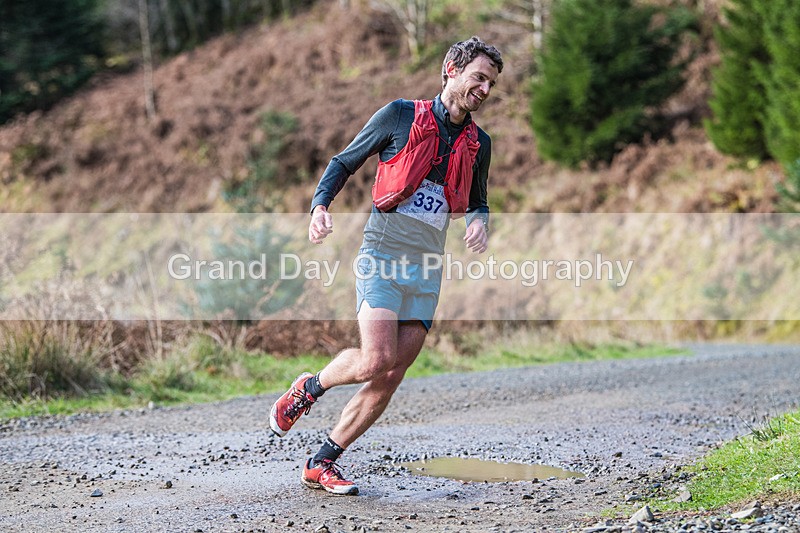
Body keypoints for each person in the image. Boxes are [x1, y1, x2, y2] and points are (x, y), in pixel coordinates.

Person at [269, 36, 503, 495]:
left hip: (428, 266)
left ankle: (322, 462)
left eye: (492, 83)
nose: (485, 90)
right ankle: (310, 387)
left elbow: (478, 201)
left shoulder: (481, 143)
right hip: (383, 253)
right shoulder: (399, 115)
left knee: (392, 374)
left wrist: (480, 223)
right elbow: (344, 161)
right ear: (450, 69)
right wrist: (319, 206)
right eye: (479, 77)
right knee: (376, 358)